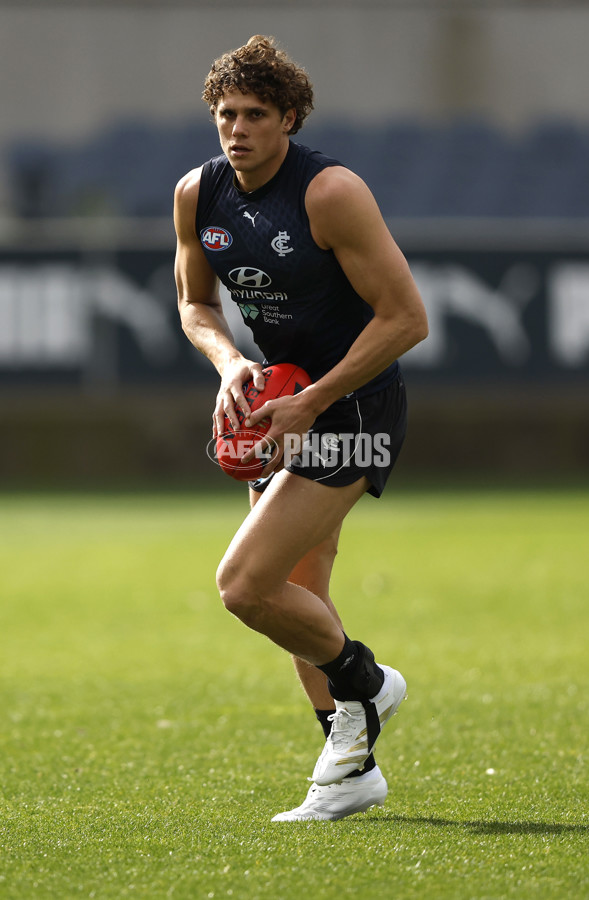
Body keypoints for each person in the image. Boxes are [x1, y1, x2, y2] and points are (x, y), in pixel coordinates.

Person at [174, 35, 428, 822]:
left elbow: (407, 319)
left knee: (244, 585)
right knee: (295, 594)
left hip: (352, 407)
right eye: (226, 114)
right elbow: (195, 303)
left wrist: (315, 398)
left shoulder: (330, 193)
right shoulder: (198, 193)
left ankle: (368, 683)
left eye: (255, 114)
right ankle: (349, 768)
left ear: (289, 118)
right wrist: (227, 366)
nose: (238, 129)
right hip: (283, 402)